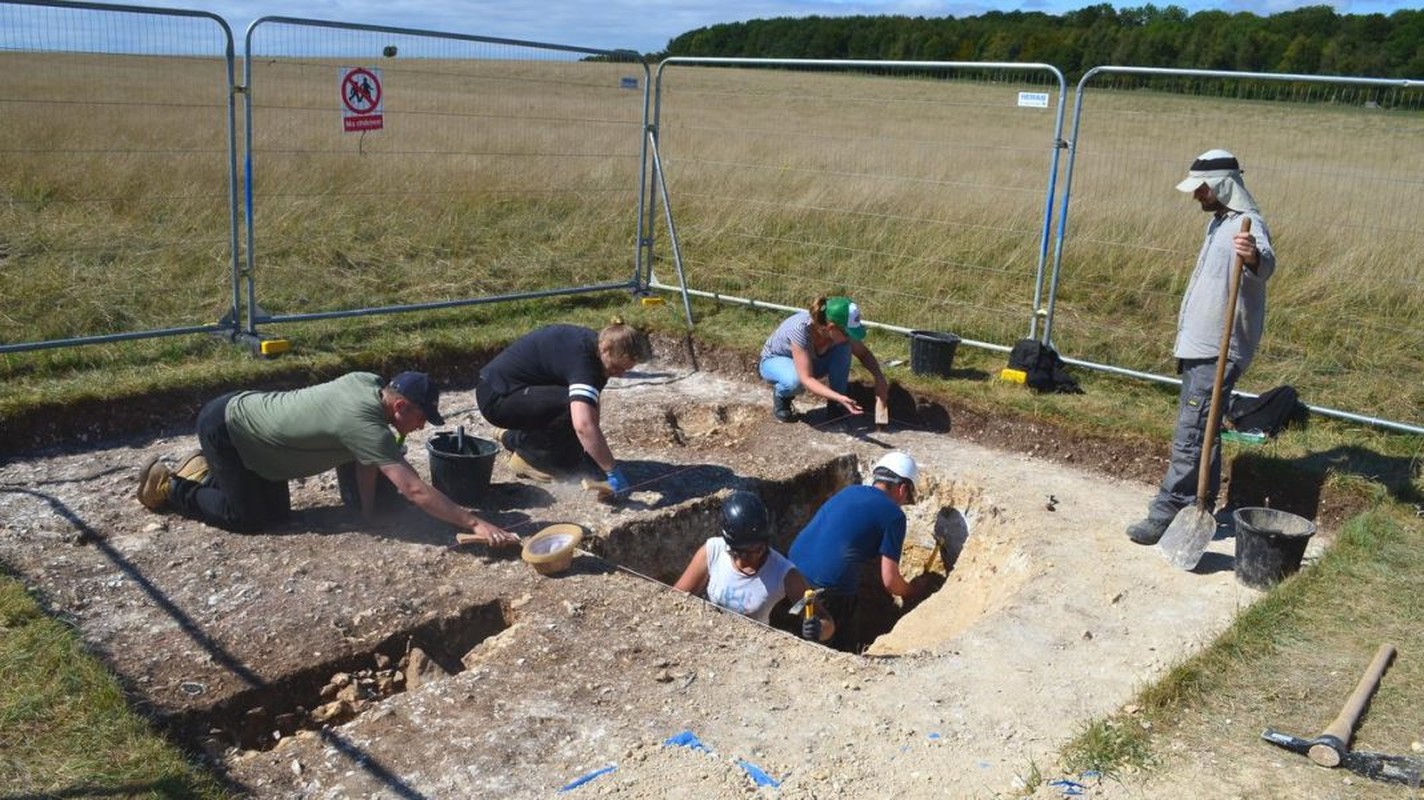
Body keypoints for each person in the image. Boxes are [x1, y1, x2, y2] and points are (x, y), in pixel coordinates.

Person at [135, 371, 519, 547]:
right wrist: (477, 524)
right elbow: (414, 490)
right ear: (400, 405)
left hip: (258, 436)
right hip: (230, 431)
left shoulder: (369, 385)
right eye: (421, 418)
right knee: (249, 520)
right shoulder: (364, 423)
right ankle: (171, 486)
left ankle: (208, 474)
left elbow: (363, 461)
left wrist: (368, 514)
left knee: (279, 517)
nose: (420, 428)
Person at [1127, 150, 1276, 545]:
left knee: (1191, 432)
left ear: (1223, 184)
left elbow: (1266, 262)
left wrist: (1254, 257)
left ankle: (1167, 509)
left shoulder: (1247, 224)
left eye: (1202, 188)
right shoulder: (1219, 223)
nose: (1197, 195)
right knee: (1203, 430)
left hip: (1218, 349)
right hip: (1200, 346)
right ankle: (1201, 501)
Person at [476, 319, 651, 498]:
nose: (621, 375)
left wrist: (590, 456)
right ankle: (529, 460)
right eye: (617, 367)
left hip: (515, 391)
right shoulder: (586, 363)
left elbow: (591, 405)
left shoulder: (597, 348)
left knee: (573, 446)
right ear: (606, 348)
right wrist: (612, 470)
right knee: (570, 407)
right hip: (497, 398)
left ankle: (511, 437)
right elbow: (584, 425)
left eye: (626, 370)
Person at [788, 452, 930, 651]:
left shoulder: (850, 491)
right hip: (828, 590)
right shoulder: (894, 515)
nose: (902, 504)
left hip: (790, 574)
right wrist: (914, 591)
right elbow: (890, 581)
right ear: (903, 488)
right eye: (906, 498)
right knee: (842, 648)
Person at [674, 490, 834, 643]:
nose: (753, 557)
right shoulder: (713, 551)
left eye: (759, 549)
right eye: (743, 553)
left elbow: (826, 622)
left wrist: (818, 628)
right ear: (730, 544)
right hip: (710, 639)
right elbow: (674, 598)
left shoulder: (784, 573)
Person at [759, 295, 889, 424]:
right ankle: (782, 396)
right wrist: (839, 397)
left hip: (809, 362)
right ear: (831, 328)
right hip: (776, 361)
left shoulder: (837, 334)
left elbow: (864, 354)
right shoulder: (800, 330)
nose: (849, 337)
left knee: (844, 348)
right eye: (847, 333)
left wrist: (879, 378)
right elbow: (806, 378)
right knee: (795, 381)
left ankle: (835, 405)